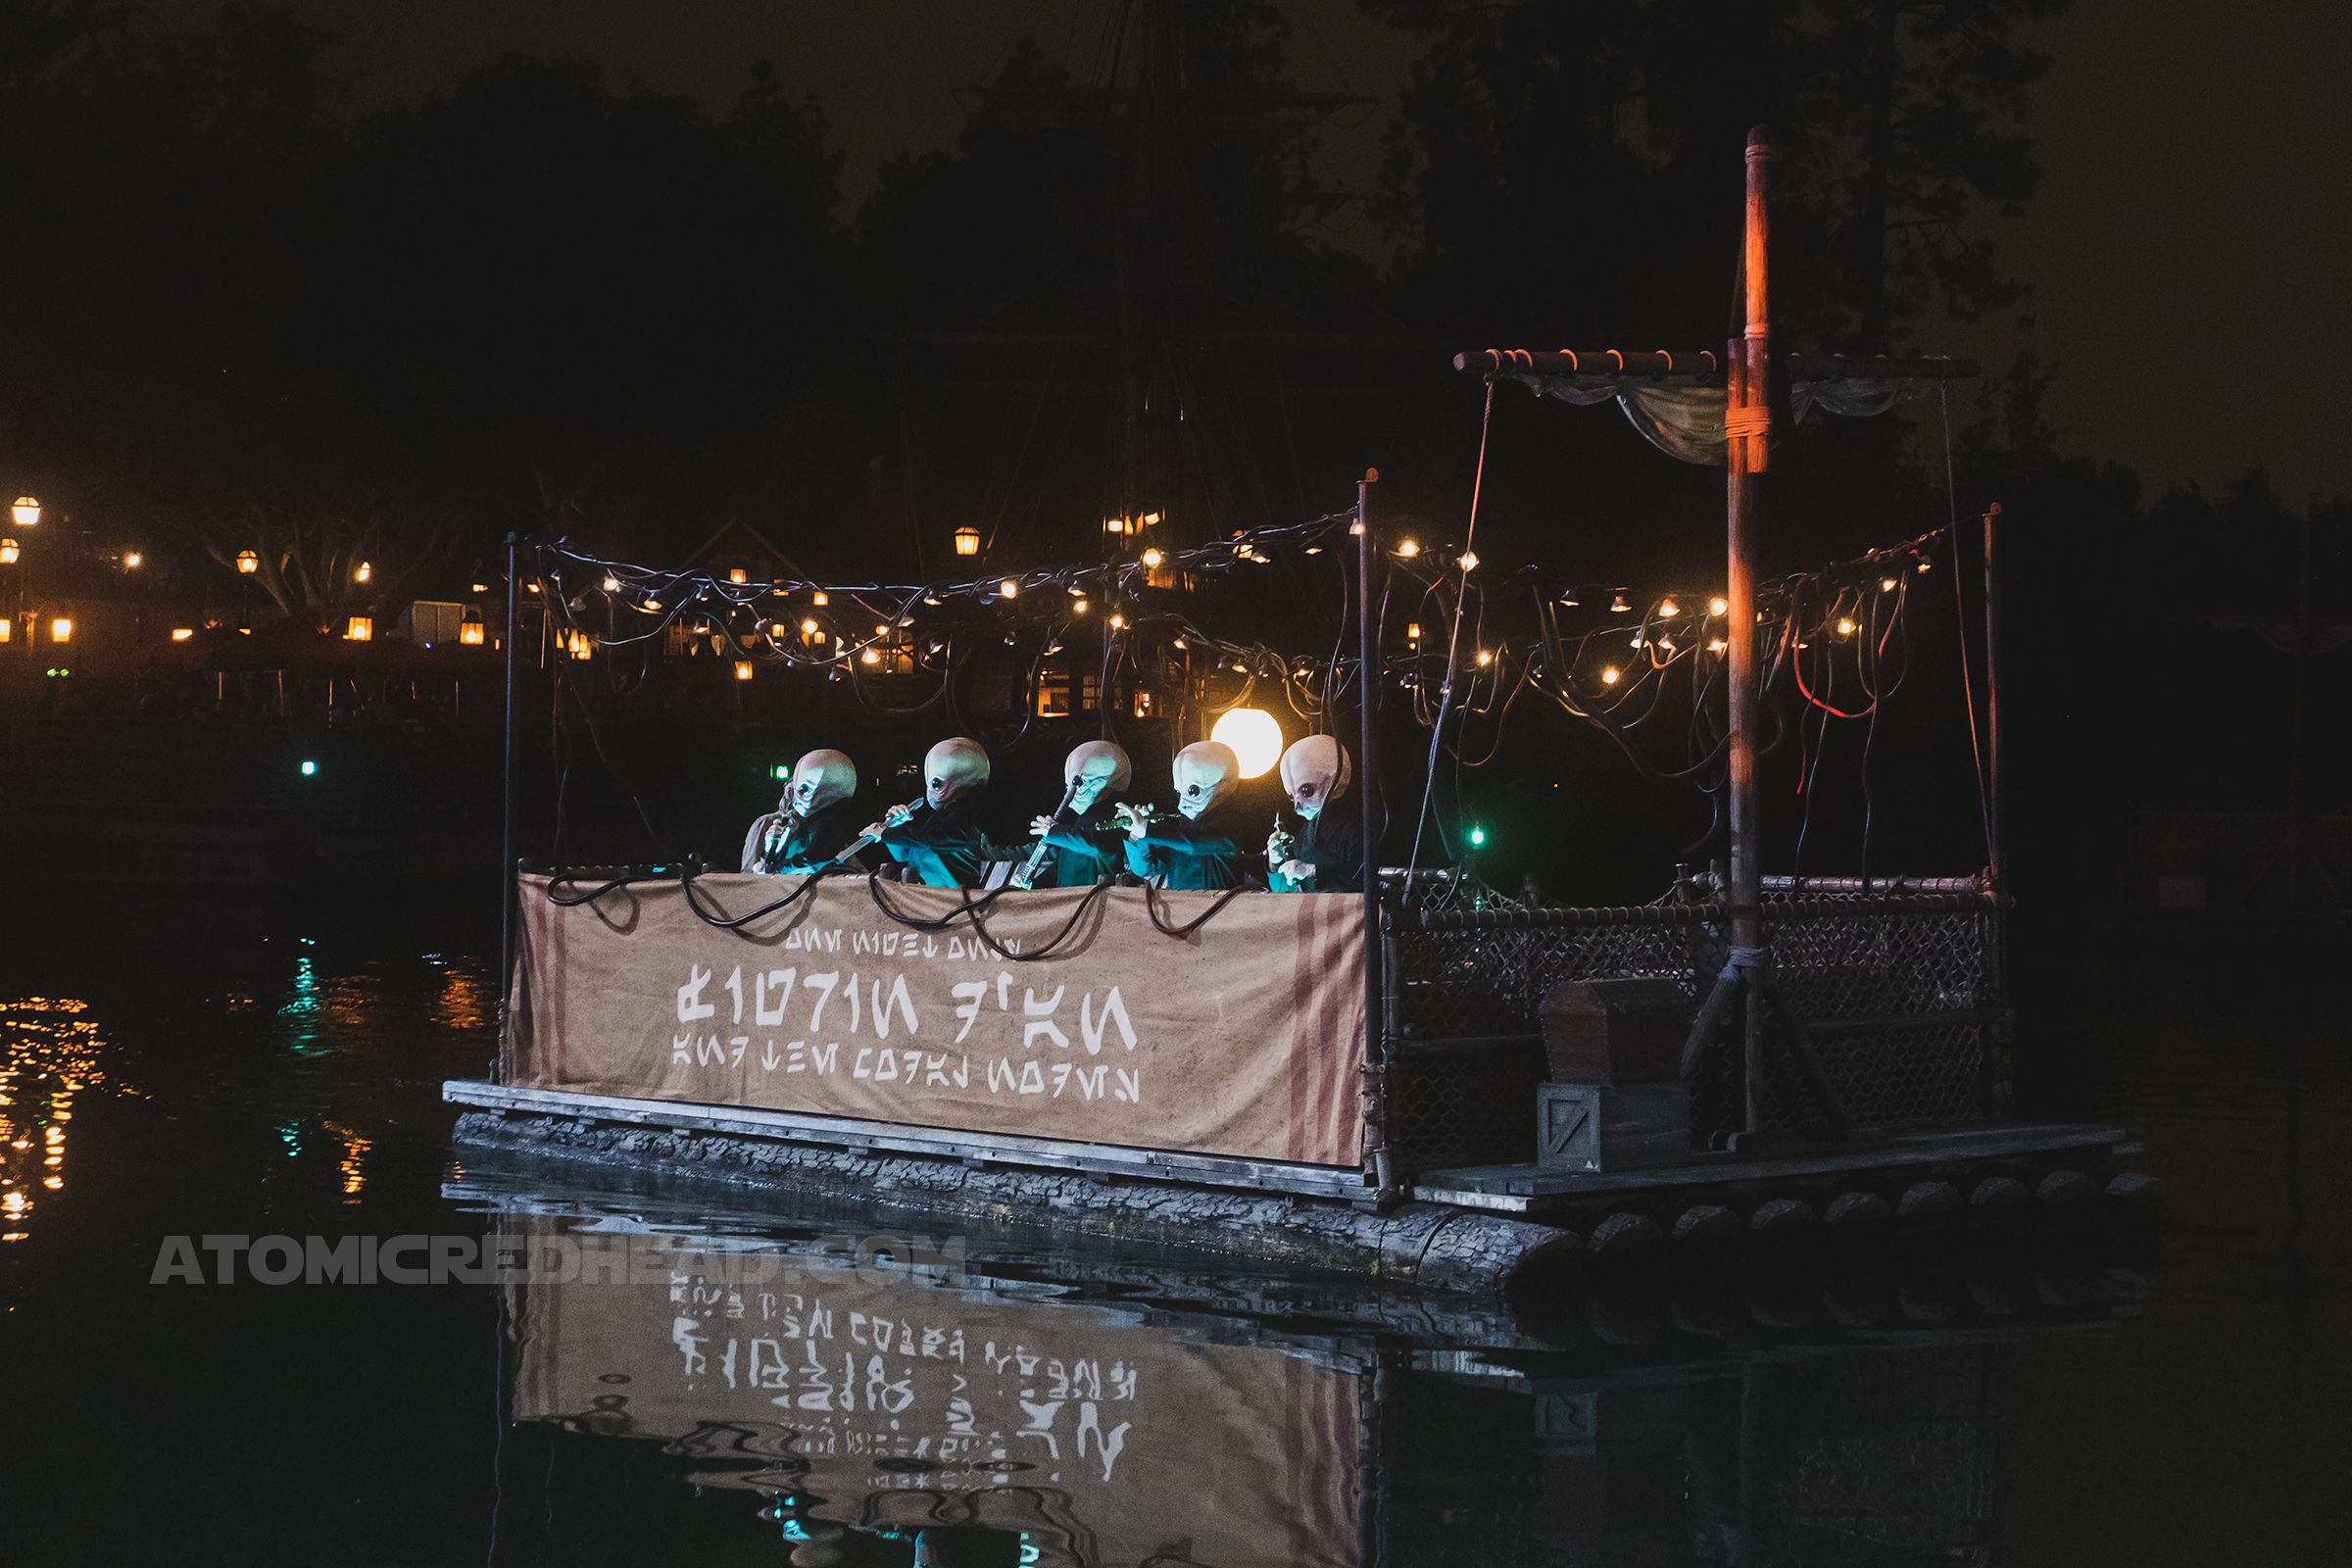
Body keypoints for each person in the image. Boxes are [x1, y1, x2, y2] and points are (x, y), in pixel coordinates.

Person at [1120, 740, 1250, 891]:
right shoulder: (1180, 835)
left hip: (1220, 912)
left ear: (1222, 787)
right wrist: (1137, 837)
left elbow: (1192, 844)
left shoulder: (1228, 833)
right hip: (1180, 912)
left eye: (1193, 792)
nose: (1181, 805)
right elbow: (1144, 869)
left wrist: (1146, 829)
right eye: (1179, 793)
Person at [869, 737, 993, 888]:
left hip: (956, 902)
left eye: (936, 784)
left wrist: (887, 833)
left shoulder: (963, 817)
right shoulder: (939, 819)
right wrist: (895, 826)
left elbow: (933, 840)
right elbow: (903, 856)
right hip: (929, 900)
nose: (929, 791)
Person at [1015, 740, 1133, 888]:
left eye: (1078, 784)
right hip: (1073, 906)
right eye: (1068, 786)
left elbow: (1096, 845)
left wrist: (1055, 832)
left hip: (1096, 905)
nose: (1069, 795)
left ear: (1100, 783)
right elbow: (1062, 870)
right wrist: (1031, 884)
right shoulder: (1081, 824)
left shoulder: (1115, 817)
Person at [1266, 734, 1364, 893]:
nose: (1297, 806)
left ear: (1332, 779)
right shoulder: (1305, 834)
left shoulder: (1352, 828)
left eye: (1306, 790)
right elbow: (1283, 889)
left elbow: (1366, 877)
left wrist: (1313, 871)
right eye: (1291, 796)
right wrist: (1275, 863)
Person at [741, 749, 862, 873]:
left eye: (825, 796)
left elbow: (857, 879)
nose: (812, 802)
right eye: (805, 789)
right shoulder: (766, 824)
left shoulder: (825, 832)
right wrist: (769, 852)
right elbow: (749, 881)